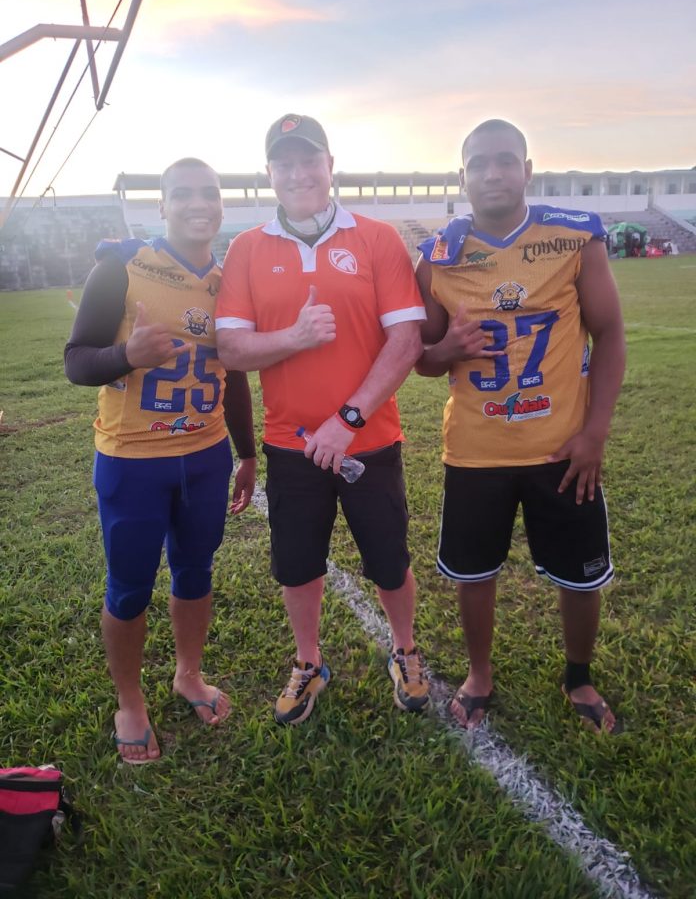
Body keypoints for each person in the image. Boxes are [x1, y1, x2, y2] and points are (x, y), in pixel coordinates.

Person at [215, 114, 430, 725]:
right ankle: (308, 663)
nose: (298, 172)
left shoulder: (377, 238)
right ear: (269, 175)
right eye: (284, 163)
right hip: (290, 446)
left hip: (370, 439)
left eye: (309, 159)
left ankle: (406, 650)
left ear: (330, 164)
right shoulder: (248, 248)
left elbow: (406, 342)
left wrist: (349, 419)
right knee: (298, 566)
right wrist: (294, 336)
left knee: (389, 561)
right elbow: (232, 350)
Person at [416, 119, 625, 734]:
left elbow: (610, 334)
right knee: (475, 574)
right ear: (463, 176)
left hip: (561, 447)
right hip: (476, 449)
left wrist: (595, 433)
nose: (493, 173)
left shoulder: (573, 238)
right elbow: (422, 359)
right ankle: (479, 675)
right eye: (479, 163)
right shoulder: (439, 254)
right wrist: (448, 348)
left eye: (506, 160)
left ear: (527, 169)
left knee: (578, 574)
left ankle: (578, 676)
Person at [65, 158, 256, 763]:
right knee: (128, 588)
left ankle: (188, 674)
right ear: (162, 206)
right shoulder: (119, 265)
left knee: (195, 571)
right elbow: (76, 361)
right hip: (133, 460)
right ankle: (130, 701)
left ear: (221, 205)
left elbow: (238, 375)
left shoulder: (228, 282)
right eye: (183, 195)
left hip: (204, 456)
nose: (198, 204)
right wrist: (127, 353)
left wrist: (247, 452)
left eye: (210, 193)